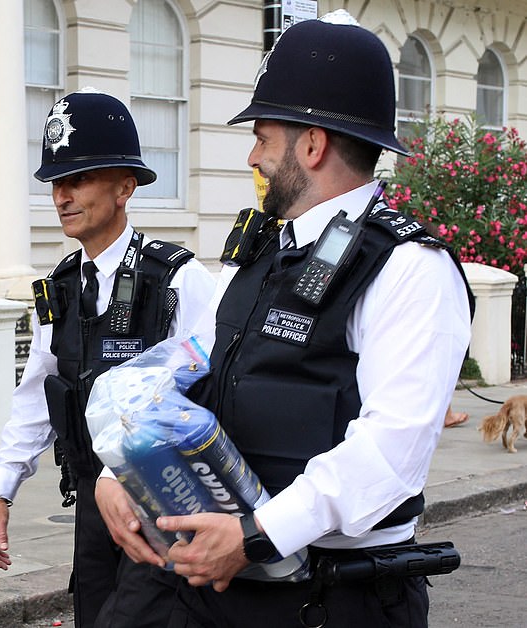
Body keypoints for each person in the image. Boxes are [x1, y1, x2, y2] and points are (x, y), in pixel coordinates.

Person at [96, 13, 473, 627]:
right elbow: (195, 369)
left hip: (330, 599)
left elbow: (393, 447)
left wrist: (257, 533)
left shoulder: (409, 269)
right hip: (222, 588)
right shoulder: (261, 251)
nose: (253, 156)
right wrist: (124, 472)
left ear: (313, 144)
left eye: (264, 138)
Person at [0, 88, 216, 628]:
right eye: (57, 182)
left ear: (125, 186)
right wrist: (1, 489)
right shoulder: (58, 289)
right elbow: (39, 393)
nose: (62, 195)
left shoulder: (178, 278)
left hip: (161, 499)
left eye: (78, 179)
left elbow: (209, 384)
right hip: (90, 502)